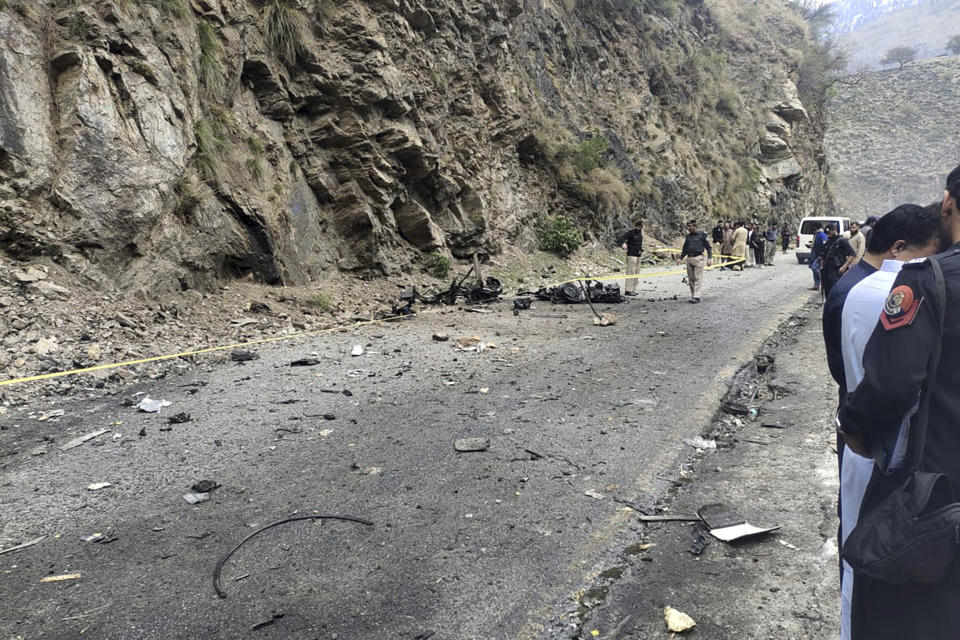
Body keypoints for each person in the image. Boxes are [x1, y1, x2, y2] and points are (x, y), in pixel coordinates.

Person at [837, 165, 960, 639]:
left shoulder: (928, 281)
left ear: (947, 201)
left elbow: (888, 383)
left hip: (933, 496)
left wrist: (853, 426)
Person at [676, 220, 713, 302]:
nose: (688, 228)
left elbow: (708, 247)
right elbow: (685, 249)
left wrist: (710, 258)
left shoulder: (702, 235)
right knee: (691, 278)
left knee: (698, 278)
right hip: (689, 258)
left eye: (690, 226)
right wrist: (680, 258)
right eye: (688, 226)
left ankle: (697, 296)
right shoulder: (688, 237)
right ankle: (693, 295)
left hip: (698, 258)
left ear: (695, 226)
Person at [820, 223, 857, 296]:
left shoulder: (842, 241)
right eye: (826, 234)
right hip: (827, 271)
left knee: (837, 293)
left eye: (829, 233)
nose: (828, 235)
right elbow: (822, 257)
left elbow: (852, 254)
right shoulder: (827, 243)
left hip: (837, 271)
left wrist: (844, 267)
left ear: (834, 230)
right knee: (828, 293)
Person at [619, 220, 644, 296]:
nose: (639, 228)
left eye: (641, 227)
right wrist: (623, 243)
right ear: (636, 226)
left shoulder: (641, 234)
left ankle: (633, 289)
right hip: (631, 254)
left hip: (638, 254)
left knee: (637, 272)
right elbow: (622, 238)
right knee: (631, 272)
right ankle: (628, 290)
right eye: (638, 226)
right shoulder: (631, 233)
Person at [808, 222, 827, 290]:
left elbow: (824, 245)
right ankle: (816, 285)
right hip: (815, 254)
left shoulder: (822, 235)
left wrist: (821, 255)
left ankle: (823, 282)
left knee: (815, 268)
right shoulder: (817, 234)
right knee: (814, 269)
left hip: (819, 255)